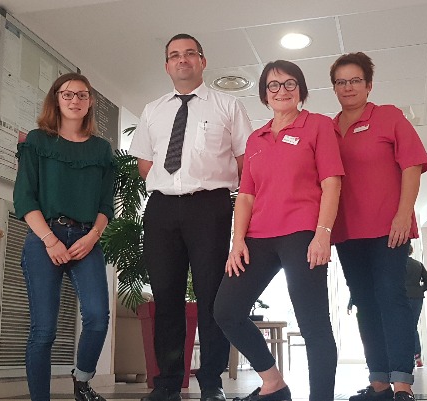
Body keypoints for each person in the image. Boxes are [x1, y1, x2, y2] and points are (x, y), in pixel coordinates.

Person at [128, 33, 252, 401]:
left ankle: (211, 382)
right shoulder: (152, 110)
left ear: (202, 61)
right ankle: (168, 383)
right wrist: (170, 185)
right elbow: (145, 163)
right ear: (167, 65)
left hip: (209, 207)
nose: (182, 59)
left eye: (190, 53)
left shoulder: (228, 106)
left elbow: (246, 162)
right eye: (174, 55)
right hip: (162, 209)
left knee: (211, 294)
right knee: (166, 296)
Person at [215, 60, 344, 401]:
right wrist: (237, 241)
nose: (282, 90)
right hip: (257, 237)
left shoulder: (317, 125)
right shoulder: (255, 139)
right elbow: (246, 196)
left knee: (313, 323)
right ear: (264, 94)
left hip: (302, 233)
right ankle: (273, 383)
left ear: (300, 90)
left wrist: (323, 233)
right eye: (273, 85)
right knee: (226, 310)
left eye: (290, 83)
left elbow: (331, 182)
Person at [329, 52, 427, 401]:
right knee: (364, 302)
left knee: (390, 297)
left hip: (389, 227)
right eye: (341, 82)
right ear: (334, 87)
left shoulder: (388, 117)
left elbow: (412, 166)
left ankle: (402, 383)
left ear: (369, 85)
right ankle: (379, 383)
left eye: (355, 80)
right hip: (347, 230)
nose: (348, 87)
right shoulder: (329, 128)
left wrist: (404, 214)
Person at [13, 73, 114, 401]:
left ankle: (82, 382)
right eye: (67, 94)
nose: (75, 100)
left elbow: (106, 204)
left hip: (86, 237)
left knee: (97, 318)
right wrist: (50, 240)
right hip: (45, 237)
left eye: (82, 95)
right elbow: (24, 198)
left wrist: (93, 236)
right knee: (43, 331)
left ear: (90, 102)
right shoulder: (37, 141)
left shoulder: (101, 149)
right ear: (56, 99)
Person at [404, 244, 427, 367]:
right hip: (417, 298)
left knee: (403, 328)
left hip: (402, 298)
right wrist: (420, 290)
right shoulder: (418, 264)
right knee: (412, 326)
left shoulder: (397, 265)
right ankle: (417, 356)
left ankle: (408, 357)